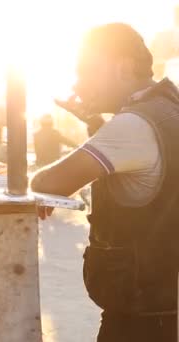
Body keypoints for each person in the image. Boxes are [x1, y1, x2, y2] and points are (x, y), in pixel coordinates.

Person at [31, 23, 179, 341]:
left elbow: (49, 183)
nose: (79, 84)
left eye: (86, 72)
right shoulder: (169, 108)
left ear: (123, 66)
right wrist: (95, 118)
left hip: (139, 320)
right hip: (165, 309)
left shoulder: (133, 125)